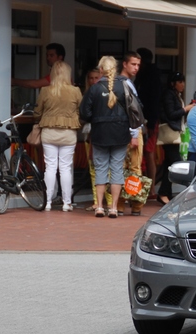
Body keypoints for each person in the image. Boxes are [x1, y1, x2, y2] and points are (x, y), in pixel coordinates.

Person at [79, 55, 132, 218]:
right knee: (117, 169)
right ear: (115, 69)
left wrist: (96, 118)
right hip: (120, 133)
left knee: (100, 169)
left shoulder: (94, 89)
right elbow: (136, 108)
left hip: (100, 134)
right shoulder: (124, 86)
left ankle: (100, 206)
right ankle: (114, 207)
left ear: (101, 70)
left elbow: (84, 113)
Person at [32, 61, 82, 212]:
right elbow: (82, 110)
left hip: (49, 132)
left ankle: (47, 201)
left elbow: (37, 112)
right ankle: (67, 203)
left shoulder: (46, 91)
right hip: (68, 132)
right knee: (66, 168)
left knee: (50, 167)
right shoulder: (75, 91)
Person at [116, 51, 147, 216]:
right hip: (132, 131)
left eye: (138, 65)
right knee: (134, 168)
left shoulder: (121, 83)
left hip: (123, 130)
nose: (136, 68)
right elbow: (133, 111)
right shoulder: (126, 84)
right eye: (133, 64)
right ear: (125, 64)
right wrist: (135, 134)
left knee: (122, 168)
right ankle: (135, 205)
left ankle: (122, 204)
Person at [156, 72, 195, 205]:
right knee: (178, 164)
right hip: (170, 133)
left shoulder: (175, 95)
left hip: (174, 133)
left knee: (169, 164)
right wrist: (186, 109)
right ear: (173, 83)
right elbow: (171, 114)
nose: (182, 84)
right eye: (179, 82)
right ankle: (191, 191)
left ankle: (164, 192)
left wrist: (186, 108)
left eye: (183, 81)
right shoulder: (169, 94)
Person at [82, 68, 112, 212]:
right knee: (93, 167)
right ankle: (97, 201)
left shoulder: (104, 94)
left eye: (96, 78)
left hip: (103, 132)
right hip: (90, 133)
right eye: (90, 78)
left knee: (109, 168)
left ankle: (110, 200)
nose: (93, 81)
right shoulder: (87, 94)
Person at [135, 47, 163, 198]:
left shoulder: (149, 77)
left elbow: (153, 101)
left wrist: (151, 123)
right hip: (145, 119)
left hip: (149, 120)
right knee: (145, 153)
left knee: (149, 153)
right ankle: (149, 187)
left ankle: (151, 188)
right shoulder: (146, 76)